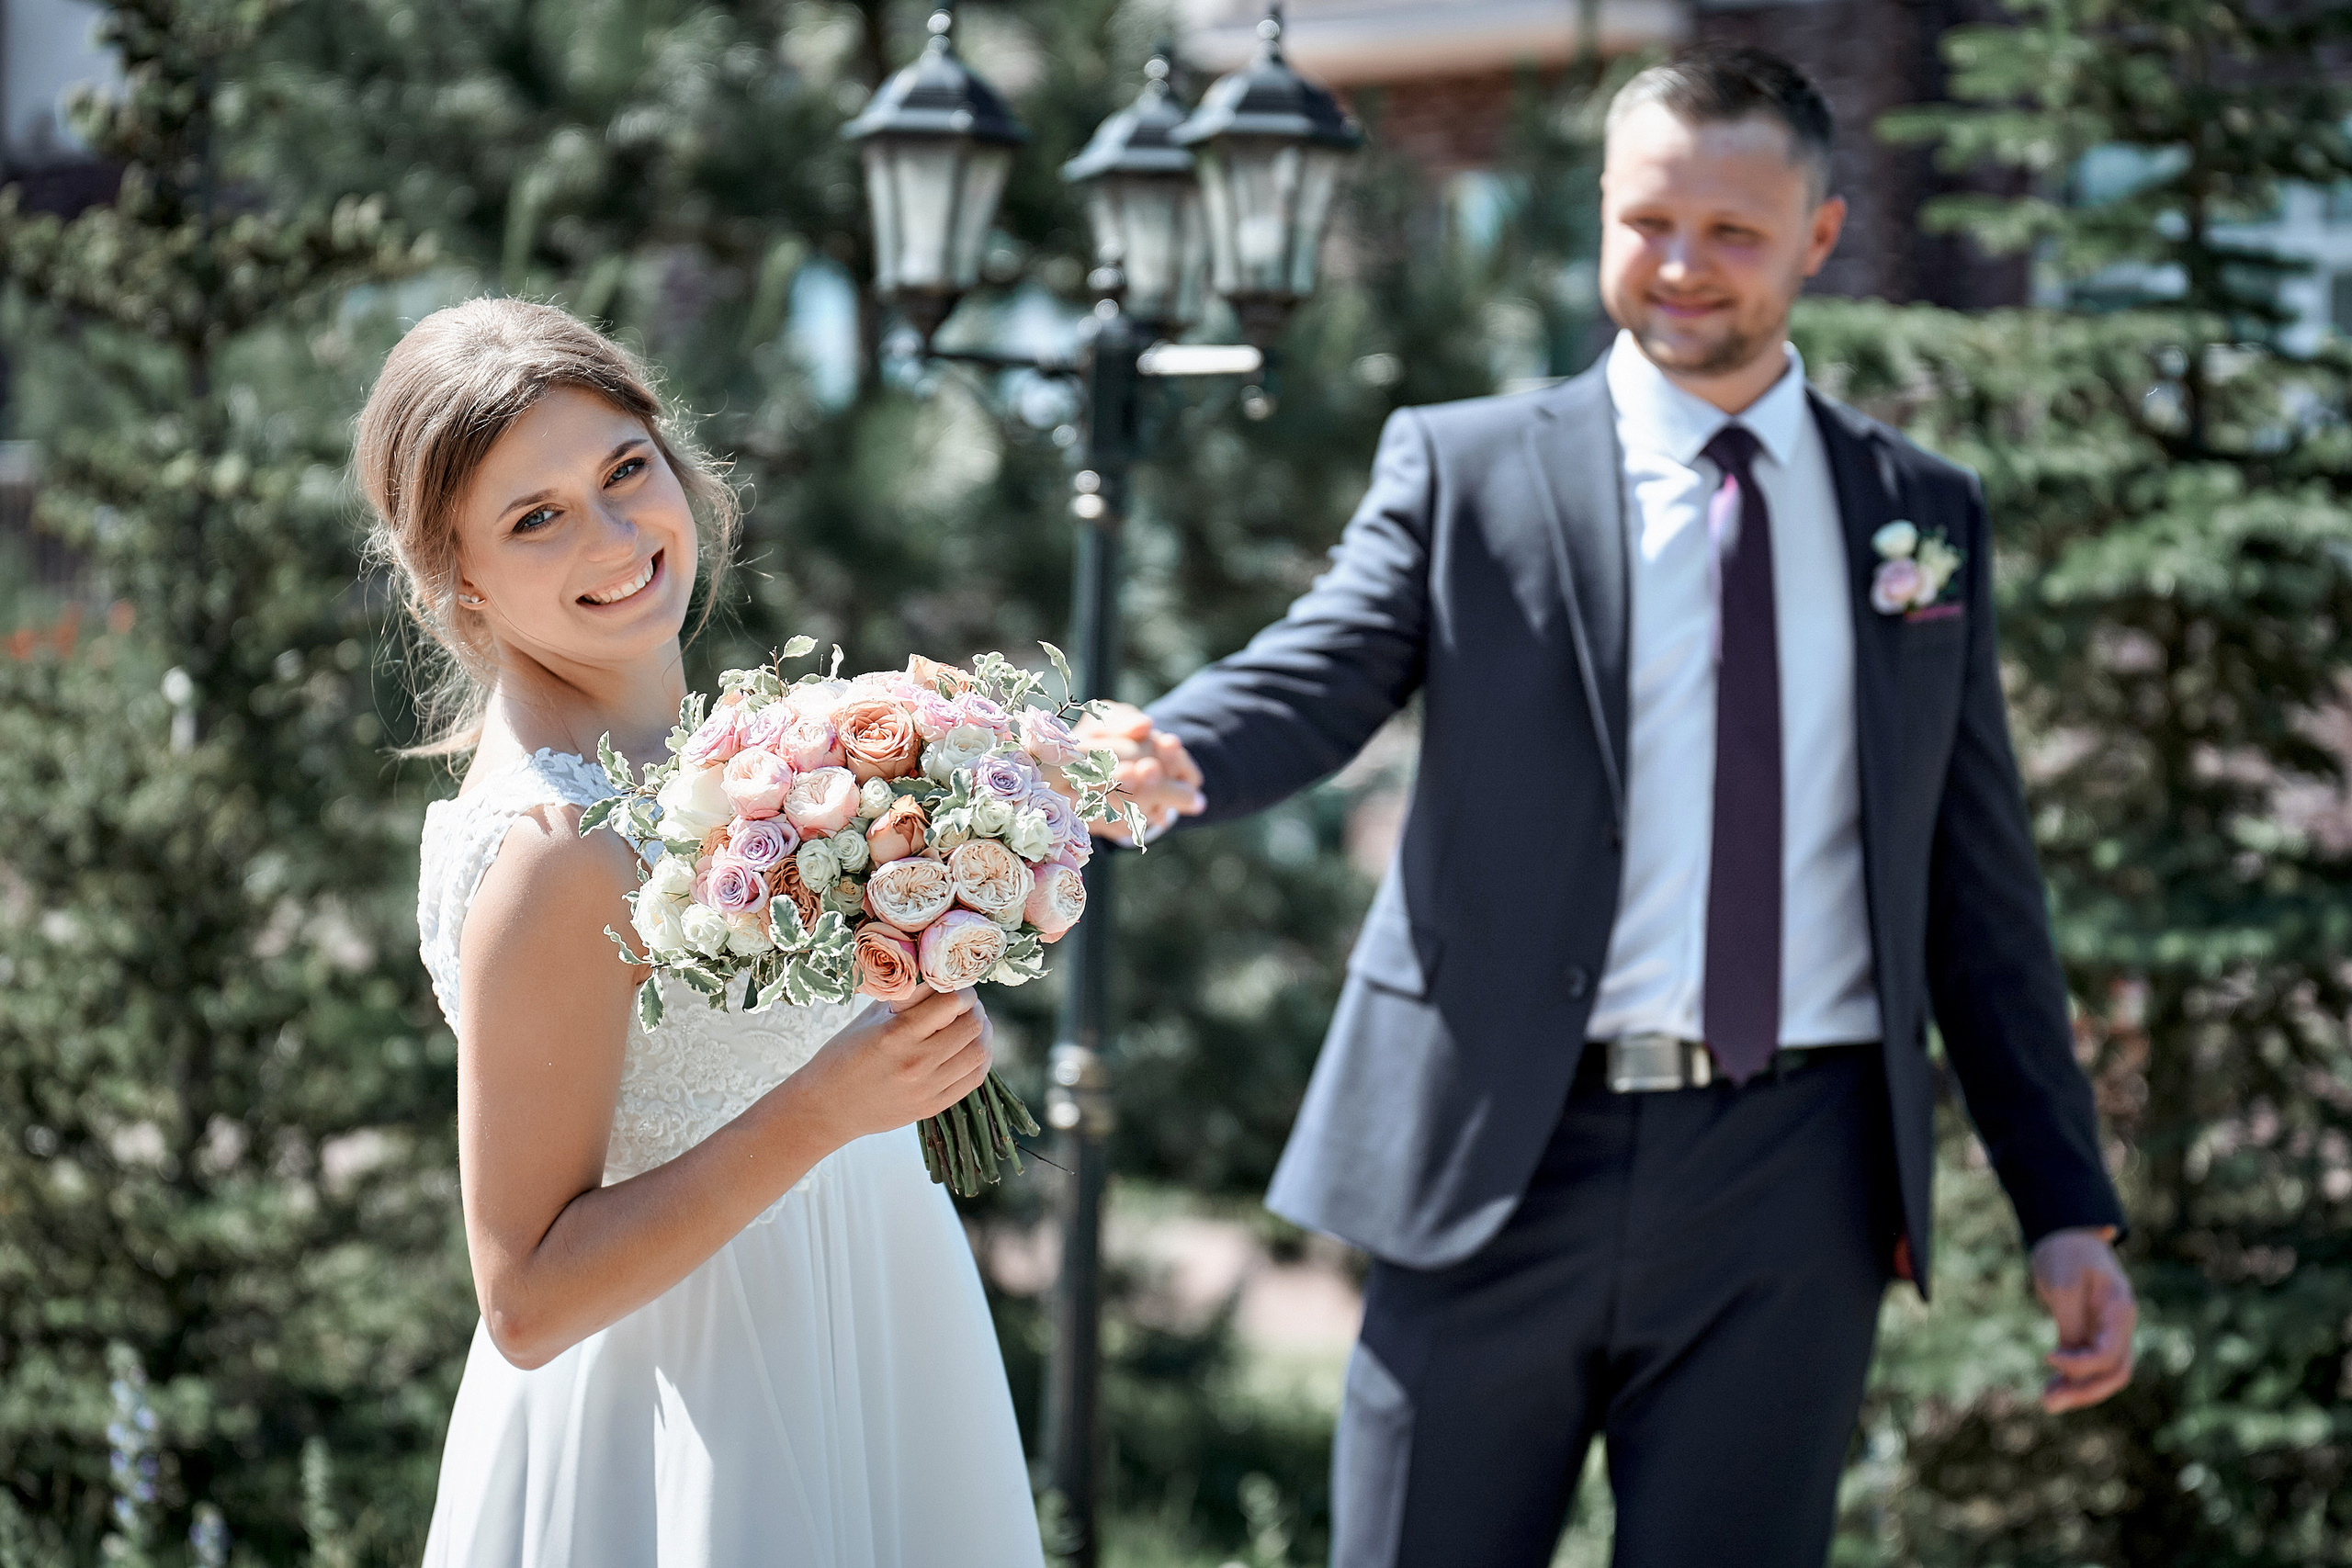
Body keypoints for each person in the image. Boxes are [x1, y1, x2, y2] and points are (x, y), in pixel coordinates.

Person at [1093, 45, 2136, 1568]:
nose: (1682, 267)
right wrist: (1173, 747)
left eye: (1733, 232)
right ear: (1601, 213)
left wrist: (2063, 1203)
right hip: (1497, 1147)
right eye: (1649, 221)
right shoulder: (1467, 470)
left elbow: (1975, 885)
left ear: (1821, 238)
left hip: (1793, 1186)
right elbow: (1317, 673)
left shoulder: (1920, 512)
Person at [356, 298, 1046, 1567]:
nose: (616, 534)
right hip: (699, 1406)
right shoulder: (554, 856)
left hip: (880, 1325)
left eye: (626, 468)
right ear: (459, 575)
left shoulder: (728, 758)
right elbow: (524, 1298)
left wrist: (932, 933)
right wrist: (827, 1109)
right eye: (536, 516)